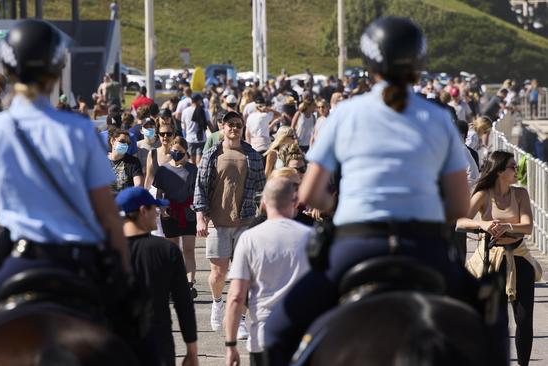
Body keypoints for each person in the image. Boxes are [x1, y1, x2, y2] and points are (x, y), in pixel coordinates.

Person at [264, 17, 479, 365]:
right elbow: (460, 204)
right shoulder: (439, 118)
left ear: (369, 64)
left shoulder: (345, 113)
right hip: (423, 247)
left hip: (357, 244)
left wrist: (336, 204)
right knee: (490, 318)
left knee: (276, 331)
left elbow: (311, 194)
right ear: (418, 64)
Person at [0, 20, 130, 364]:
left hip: (18, 261)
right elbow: (108, 216)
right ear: (57, 69)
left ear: (6, 69)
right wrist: (123, 275)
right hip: (78, 264)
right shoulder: (80, 131)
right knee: (145, 342)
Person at [457, 151, 542, 366]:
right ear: (499, 171)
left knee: (524, 319)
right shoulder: (483, 194)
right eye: (513, 167)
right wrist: (482, 224)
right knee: (495, 319)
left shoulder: (520, 194)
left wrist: (508, 226)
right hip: (491, 259)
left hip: (519, 257)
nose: (517, 170)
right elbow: (460, 221)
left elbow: (528, 226)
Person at [225, 177, 311, 366]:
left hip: (263, 337)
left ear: (263, 202)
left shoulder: (248, 238)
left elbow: (236, 296)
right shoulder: (309, 237)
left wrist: (230, 344)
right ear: (295, 202)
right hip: (302, 337)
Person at [194, 111, 265, 336]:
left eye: (238, 125)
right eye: (230, 124)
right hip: (218, 220)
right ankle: (217, 303)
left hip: (245, 220)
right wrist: (200, 216)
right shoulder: (212, 153)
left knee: (244, 273)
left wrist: (263, 218)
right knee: (218, 272)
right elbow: (200, 186)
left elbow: (261, 189)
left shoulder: (252, 154)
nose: (234, 128)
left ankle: (240, 319)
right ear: (222, 127)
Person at [117, 187, 198, 366]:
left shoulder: (105, 251)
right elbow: (183, 303)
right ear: (142, 211)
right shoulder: (166, 251)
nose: (158, 213)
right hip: (157, 346)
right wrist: (192, 350)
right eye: (155, 208)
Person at [152, 136, 198, 297]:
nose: (176, 153)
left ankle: (189, 284)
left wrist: (200, 212)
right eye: (174, 151)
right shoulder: (163, 170)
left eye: (180, 151)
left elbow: (197, 192)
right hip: (169, 213)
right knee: (173, 251)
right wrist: (161, 209)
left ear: (186, 151)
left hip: (188, 213)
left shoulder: (193, 170)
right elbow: (158, 192)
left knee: (189, 249)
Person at [108, 129, 143, 196]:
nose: (125, 145)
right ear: (112, 141)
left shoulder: (133, 162)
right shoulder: (102, 161)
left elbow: (138, 185)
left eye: (128, 143)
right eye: (122, 141)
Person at [144, 121, 175, 189]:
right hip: (157, 195)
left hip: (175, 195)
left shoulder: (179, 154)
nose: (165, 136)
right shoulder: (152, 153)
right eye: (162, 134)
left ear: (173, 135)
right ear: (158, 135)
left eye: (169, 134)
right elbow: (149, 177)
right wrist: (145, 196)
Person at [181, 94, 210, 165]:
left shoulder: (185, 111)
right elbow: (209, 124)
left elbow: (183, 127)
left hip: (190, 140)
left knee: (192, 162)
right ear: (199, 101)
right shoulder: (204, 111)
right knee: (199, 162)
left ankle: (194, 175)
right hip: (202, 139)